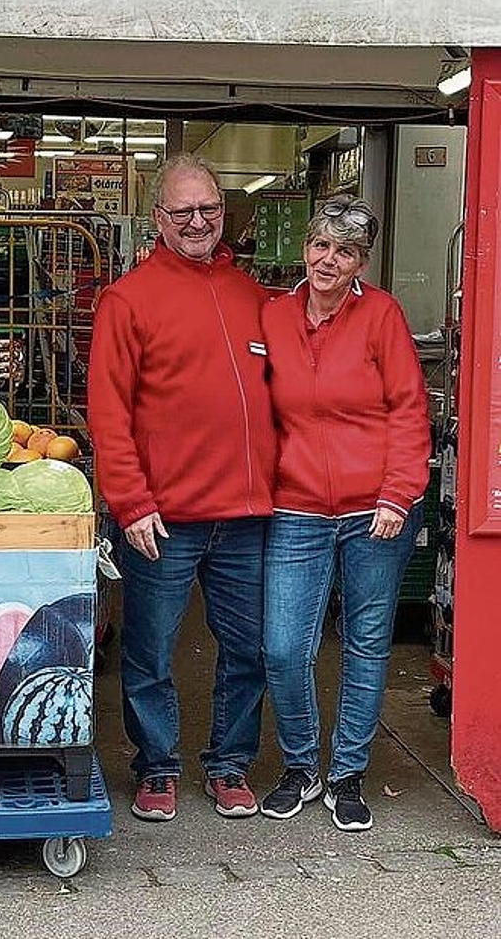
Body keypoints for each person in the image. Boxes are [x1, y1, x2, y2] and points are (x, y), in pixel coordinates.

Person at [87, 154, 275, 822]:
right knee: (149, 652)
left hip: (248, 514)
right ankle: (157, 766)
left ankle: (229, 764)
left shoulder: (255, 298)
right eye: (183, 211)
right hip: (162, 517)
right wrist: (130, 501)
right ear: (158, 218)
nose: (198, 222)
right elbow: (107, 412)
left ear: (224, 212)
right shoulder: (127, 299)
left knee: (249, 649)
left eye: (210, 210)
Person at [259, 193, 431, 833]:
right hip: (296, 505)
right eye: (321, 245)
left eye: (346, 251)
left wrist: (399, 491)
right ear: (306, 248)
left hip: (375, 510)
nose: (329, 260)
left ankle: (348, 772)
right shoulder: (274, 315)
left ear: (361, 262)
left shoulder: (382, 314)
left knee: (364, 642)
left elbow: (410, 410)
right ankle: (302, 765)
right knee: (283, 646)